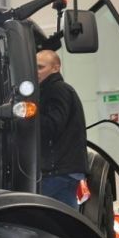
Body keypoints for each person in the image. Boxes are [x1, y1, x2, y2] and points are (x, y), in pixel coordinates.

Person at [36, 49, 88, 208]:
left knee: (25, 211)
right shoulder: (62, 90)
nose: (35, 72)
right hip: (66, 170)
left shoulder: (56, 90)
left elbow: (52, 125)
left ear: (55, 68)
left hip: (57, 170)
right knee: (65, 219)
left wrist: (26, 117)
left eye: (40, 67)